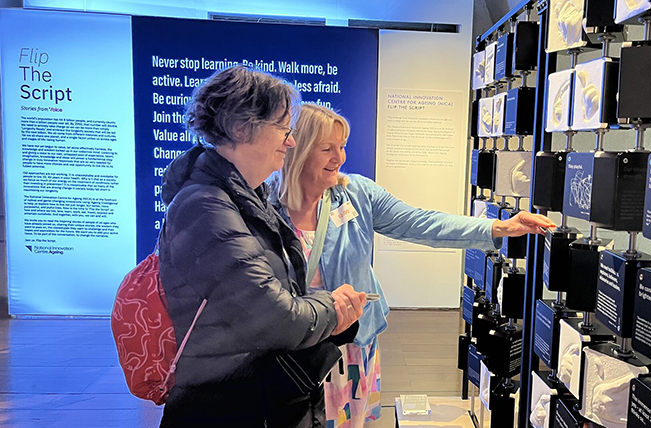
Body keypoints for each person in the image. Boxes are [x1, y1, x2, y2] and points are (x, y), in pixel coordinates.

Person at [268, 103, 557, 428]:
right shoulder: (264, 208)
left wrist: (499, 228)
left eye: (342, 146)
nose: (340, 158)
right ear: (298, 150)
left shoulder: (356, 195)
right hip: (293, 350)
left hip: (348, 349)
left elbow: (421, 223)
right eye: (327, 149)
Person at [158, 66, 366, 428]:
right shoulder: (206, 207)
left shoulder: (246, 199)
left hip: (259, 398)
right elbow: (276, 318)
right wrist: (332, 307)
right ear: (241, 128)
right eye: (283, 129)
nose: (289, 141)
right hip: (226, 407)